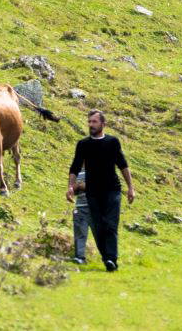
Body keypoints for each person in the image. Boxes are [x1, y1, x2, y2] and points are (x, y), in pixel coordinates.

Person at [66, 110, 135, 272]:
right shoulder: (83, 144)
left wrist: (131, 188)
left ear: (103, 124)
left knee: (110, 225)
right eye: (89, 121)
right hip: (93, 192)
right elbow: (75, 166)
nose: (91, 124)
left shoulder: (112, 142)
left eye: (94, 122)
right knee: (99, 228)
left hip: (112, 190)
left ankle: (111, 258)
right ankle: (107, 259)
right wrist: (70, 186)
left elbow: (123, 164)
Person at [71, 168, 89, 264]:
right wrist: (76, 187)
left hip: (96, 208)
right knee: (80, 233)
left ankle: (108, 258)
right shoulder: (79, 172)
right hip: (80, 206)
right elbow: (74, 191)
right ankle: (80, 257)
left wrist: (84, 186)